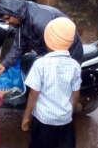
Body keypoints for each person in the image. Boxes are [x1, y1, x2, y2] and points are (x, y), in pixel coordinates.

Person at [21, 17, 82, 148]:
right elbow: (75, 95)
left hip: (43, 120)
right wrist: (69, 114)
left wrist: (26, 117)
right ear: (70, 42)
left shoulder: (40, 64)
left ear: (47, 40)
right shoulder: (75, 65)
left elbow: (33, 94)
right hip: (65, 120)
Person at [0, 0, 83, 76]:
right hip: (48, 51)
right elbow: (19, 45)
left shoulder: (40, 22)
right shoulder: (21, 18)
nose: (7, 23)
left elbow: (56, 52)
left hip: (69, 52)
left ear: (15, 12)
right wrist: (4, 64)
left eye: (8, 18)